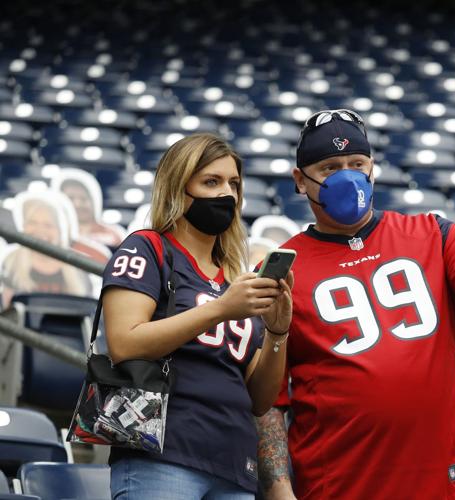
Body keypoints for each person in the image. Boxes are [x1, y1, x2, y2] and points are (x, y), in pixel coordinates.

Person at [255, 109, 455, 500]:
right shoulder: (283, 269)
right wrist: (281, 492)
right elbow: (268, 401)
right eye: (330, 167)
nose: (347, 176)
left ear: (372, 168)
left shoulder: (432, 232)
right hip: (342, 486)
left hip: (447, 482)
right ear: (301, 180)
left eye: (356, 164)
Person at [102, 133, 293, 499]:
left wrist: (276, 333)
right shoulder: (147, 248)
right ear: (178, 187)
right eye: (211, 181)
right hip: (161, 457)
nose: (228, 194)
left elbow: (260, 399)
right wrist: (220, 310)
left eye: (234, 184)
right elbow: (125, 343)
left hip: (234, 466)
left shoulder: (236, 278)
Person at [0, 191, 94, 306]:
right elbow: (7, 311)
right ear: (23, 226)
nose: (39, 230)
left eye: (48, 225)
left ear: (61, 231)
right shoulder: (10, 260)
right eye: (32, 222)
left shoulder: (80, 264)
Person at [51, 167, 126, 247]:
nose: (78, 204)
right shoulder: (49, 231)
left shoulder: (112, 235)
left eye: (83, 199)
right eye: (71, 198)